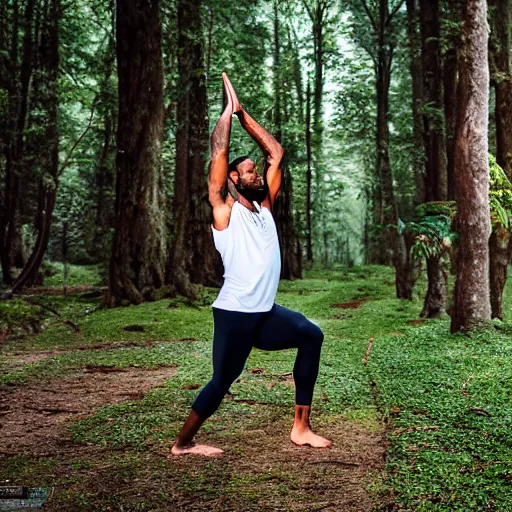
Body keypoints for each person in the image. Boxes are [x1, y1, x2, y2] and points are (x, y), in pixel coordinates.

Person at [170, 73, 332, 457]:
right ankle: (183, 443)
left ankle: (300, 428)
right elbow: (218, 156)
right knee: (222, 381)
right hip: (235, 315)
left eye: (255, 172)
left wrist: (244, 115)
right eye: (249, 172)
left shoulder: (265, 207)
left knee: (312, 335)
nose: (256, 173)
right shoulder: (225, 212)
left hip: (265, 314)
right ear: (233, 179)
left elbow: (276, 153)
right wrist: (226, 113)